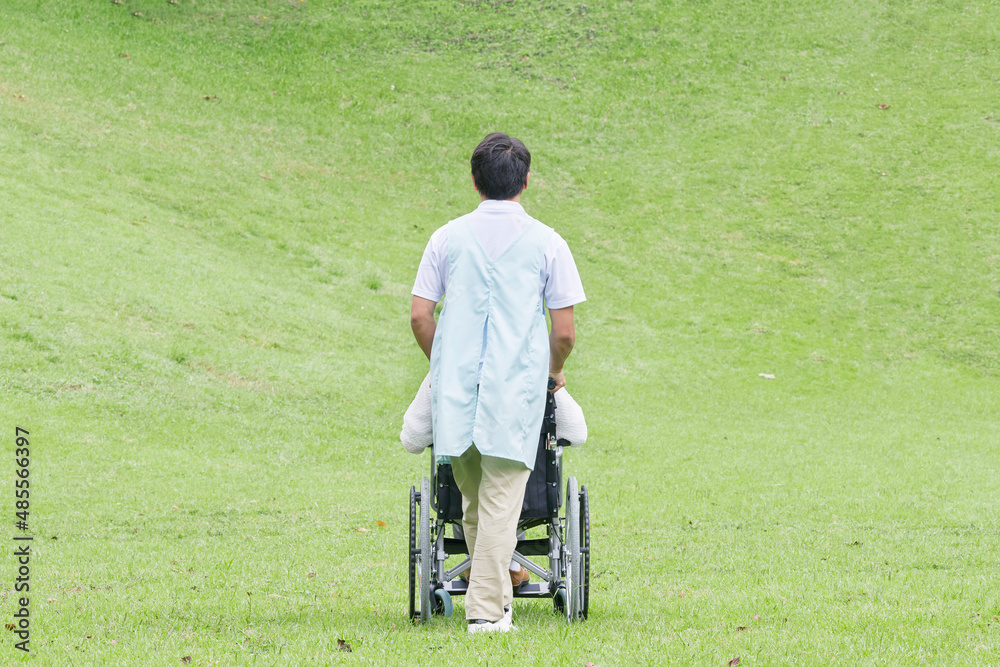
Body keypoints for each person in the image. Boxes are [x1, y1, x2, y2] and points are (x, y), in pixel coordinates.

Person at [410, 132, 586, 633]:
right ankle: (486, 613)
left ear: (474, 181)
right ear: (526, 182)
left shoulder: (445, 238)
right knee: (499, 504)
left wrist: (442, 365)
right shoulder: (549, 243)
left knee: (475, 502)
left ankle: (497, 597)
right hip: (515, 392)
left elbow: (422, 316)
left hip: (457, 393)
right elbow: (566, 331)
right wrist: (550, 371)